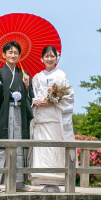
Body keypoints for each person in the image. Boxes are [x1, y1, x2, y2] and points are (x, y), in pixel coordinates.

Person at [0, 41, 35, 193]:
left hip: (20, 113)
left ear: (20, 55)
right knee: (1, 147)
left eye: (16, 52)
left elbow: (30, 96)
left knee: (19, 146)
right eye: (10, 52)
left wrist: (26, 85)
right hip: (3, 114)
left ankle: (19, 182)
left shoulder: (24, 75)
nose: (13, 55)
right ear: (3, 54)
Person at [29, 46, 75, 192]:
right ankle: (44, 182)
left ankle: (55, 182)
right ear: (41, 58)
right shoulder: (37, 77)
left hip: (55, 118)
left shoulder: (61, 75)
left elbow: (68, 95)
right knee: (42, 150)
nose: (49, 59)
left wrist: (52, 100)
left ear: (57, 58)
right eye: (46, 56)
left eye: (52, 56)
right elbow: (32, 93)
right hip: (41, 118)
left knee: (55, 149)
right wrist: (35, 101)